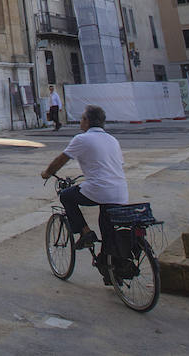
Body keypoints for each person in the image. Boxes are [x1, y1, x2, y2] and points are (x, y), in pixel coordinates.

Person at [40, 105, 129, 271]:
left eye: (82, 118)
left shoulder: (82, 139)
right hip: (120, 191)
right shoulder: (112, 140)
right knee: (107, 227)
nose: (80, 121)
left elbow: (61, 160)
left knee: (66, 196)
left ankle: (85, 232)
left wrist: (47, 173)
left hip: (99, 189)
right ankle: (109, 266)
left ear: (87, 121)